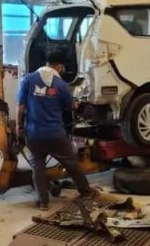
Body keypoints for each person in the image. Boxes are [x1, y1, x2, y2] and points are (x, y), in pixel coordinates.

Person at [16, 48, 94, 210]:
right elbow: (69, 106)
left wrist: (19, 127)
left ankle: (43, 202)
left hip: (34, 134)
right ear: (59, 66)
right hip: (55, 134)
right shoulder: (61, 85)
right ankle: (86, 192)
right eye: (63, 68)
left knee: (38, 167)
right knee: (71, 163)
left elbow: (21, 107)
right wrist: (76, 104)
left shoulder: (28, 79)